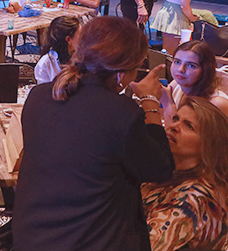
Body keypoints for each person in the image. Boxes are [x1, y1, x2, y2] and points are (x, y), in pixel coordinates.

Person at [13, 16, 174, 251]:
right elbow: (160, 168)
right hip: (86, 241)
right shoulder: (122, 114)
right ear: (121, 72)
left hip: (32, 237)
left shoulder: (38, 96)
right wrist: (150, 102)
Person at [142, 97, 228, 251]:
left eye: (189, 126)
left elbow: (142, 246)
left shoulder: (193, 198)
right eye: (176, 119)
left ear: (208, 145)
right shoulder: (169, 170)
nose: (174, 126)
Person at [160, 40, 228, 189]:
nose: (181, 70)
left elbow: (207, 155)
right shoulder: (179, 85)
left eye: (191, 65)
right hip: (188, 168)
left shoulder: (218, 104)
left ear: (205, 70)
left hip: (221, 180)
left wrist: (167, 105)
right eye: (177, 62)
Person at [34, 16, 80, 84]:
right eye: (80, 36)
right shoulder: (45, 64)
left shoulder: (81, 56)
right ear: (68, 39)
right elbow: (44, 89)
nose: (83, 39)